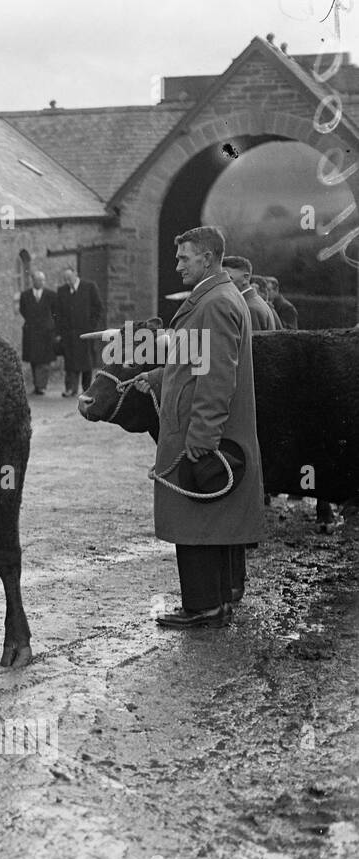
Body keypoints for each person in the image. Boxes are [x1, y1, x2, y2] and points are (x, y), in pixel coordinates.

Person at [142, 226, 264, 628]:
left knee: (196, 519)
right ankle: (220, 598)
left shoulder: (213, 304)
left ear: (208, 258)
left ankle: (202, 606)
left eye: (184, 258)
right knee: (214, 518)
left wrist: (202, 438)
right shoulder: (219, 297)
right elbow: (199, 362)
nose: (177, 265)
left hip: (204, 433)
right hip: (208, 429)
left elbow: (214, 377)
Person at [55, 266, 105, 395]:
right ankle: (70, 389)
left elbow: (98, 308)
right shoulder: (62, 291)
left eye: (69, 278)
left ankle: (86, 389)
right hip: (69, 334)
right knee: (70, 362)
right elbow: (58, 313)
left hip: (85, 333)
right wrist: (60, 332)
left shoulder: (89, 287)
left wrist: (91, 327)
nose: (67, 281)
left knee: (86, 363)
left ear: (75, 274)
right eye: (65, 279)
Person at [18, 269, 58, 395]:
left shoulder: (51, 295)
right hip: (32, 332)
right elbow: (23, 310)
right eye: (38, 280)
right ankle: (37, 384)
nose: (40, 282)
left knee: (44, 361)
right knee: (34, 359)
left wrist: (50, 325)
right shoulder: (25, 295)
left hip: (46, 332)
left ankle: (41, 386)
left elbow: (55, 312)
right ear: (33, 281)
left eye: (42, 280)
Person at [223, 256, 280, 330]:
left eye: (229, 278)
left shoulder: (249, 308)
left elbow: (252, 341)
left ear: (246, 278)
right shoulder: (255, 302)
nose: (223, 282)